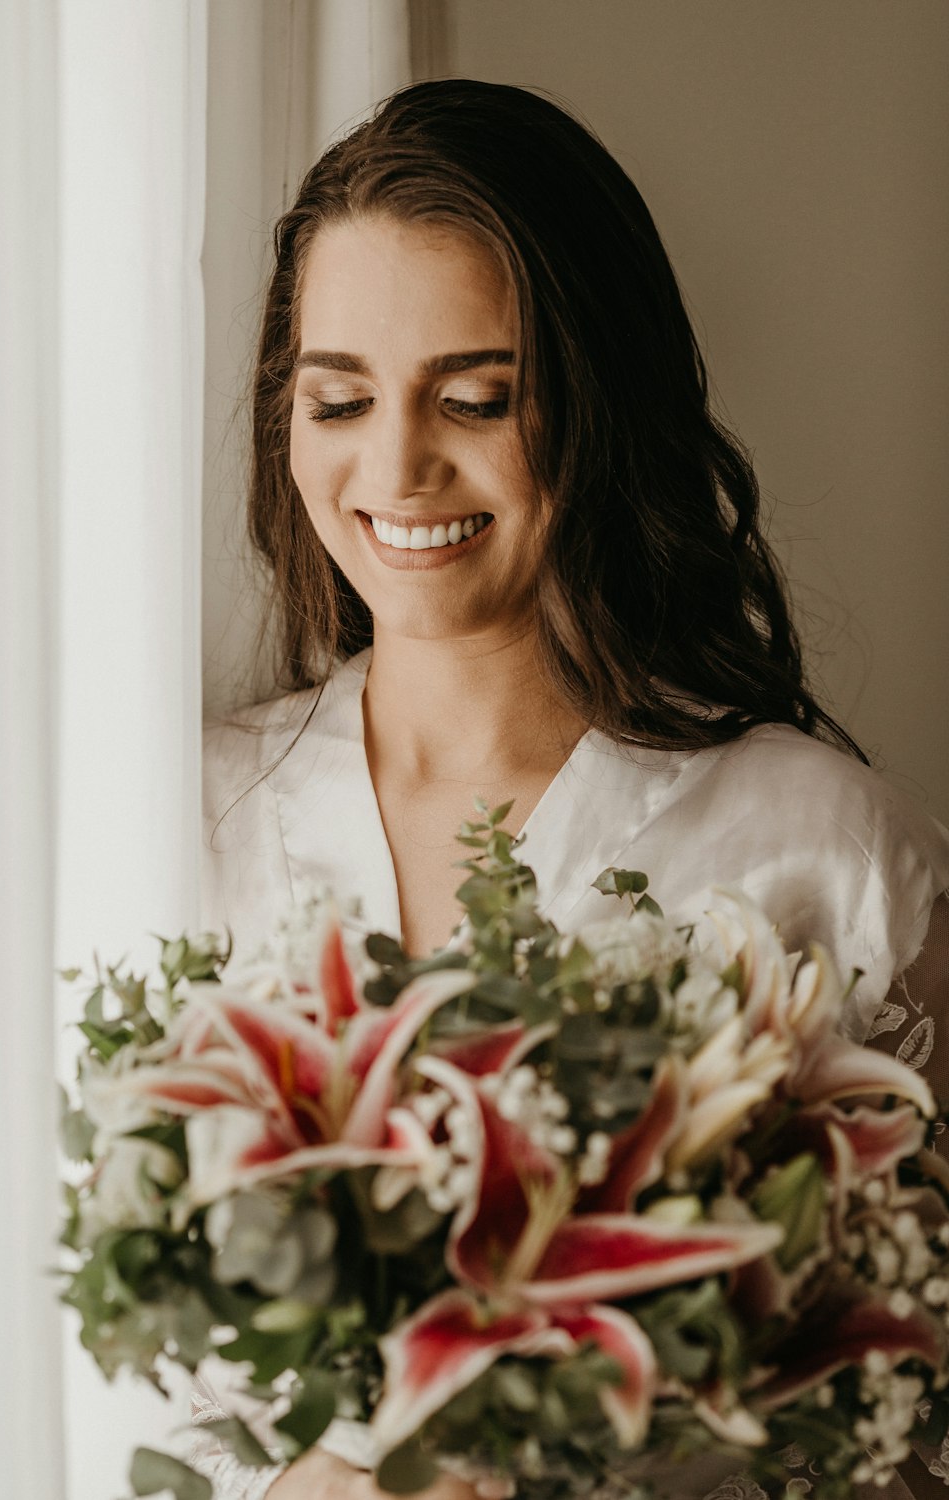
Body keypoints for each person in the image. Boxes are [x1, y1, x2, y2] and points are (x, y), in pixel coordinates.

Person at [196, 79, 949, 1500]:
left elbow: (911, 1430)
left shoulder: (831, 849)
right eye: (339, 399)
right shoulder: (183, 817)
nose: (398, 466)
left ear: (601, 407)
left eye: (476, 398)